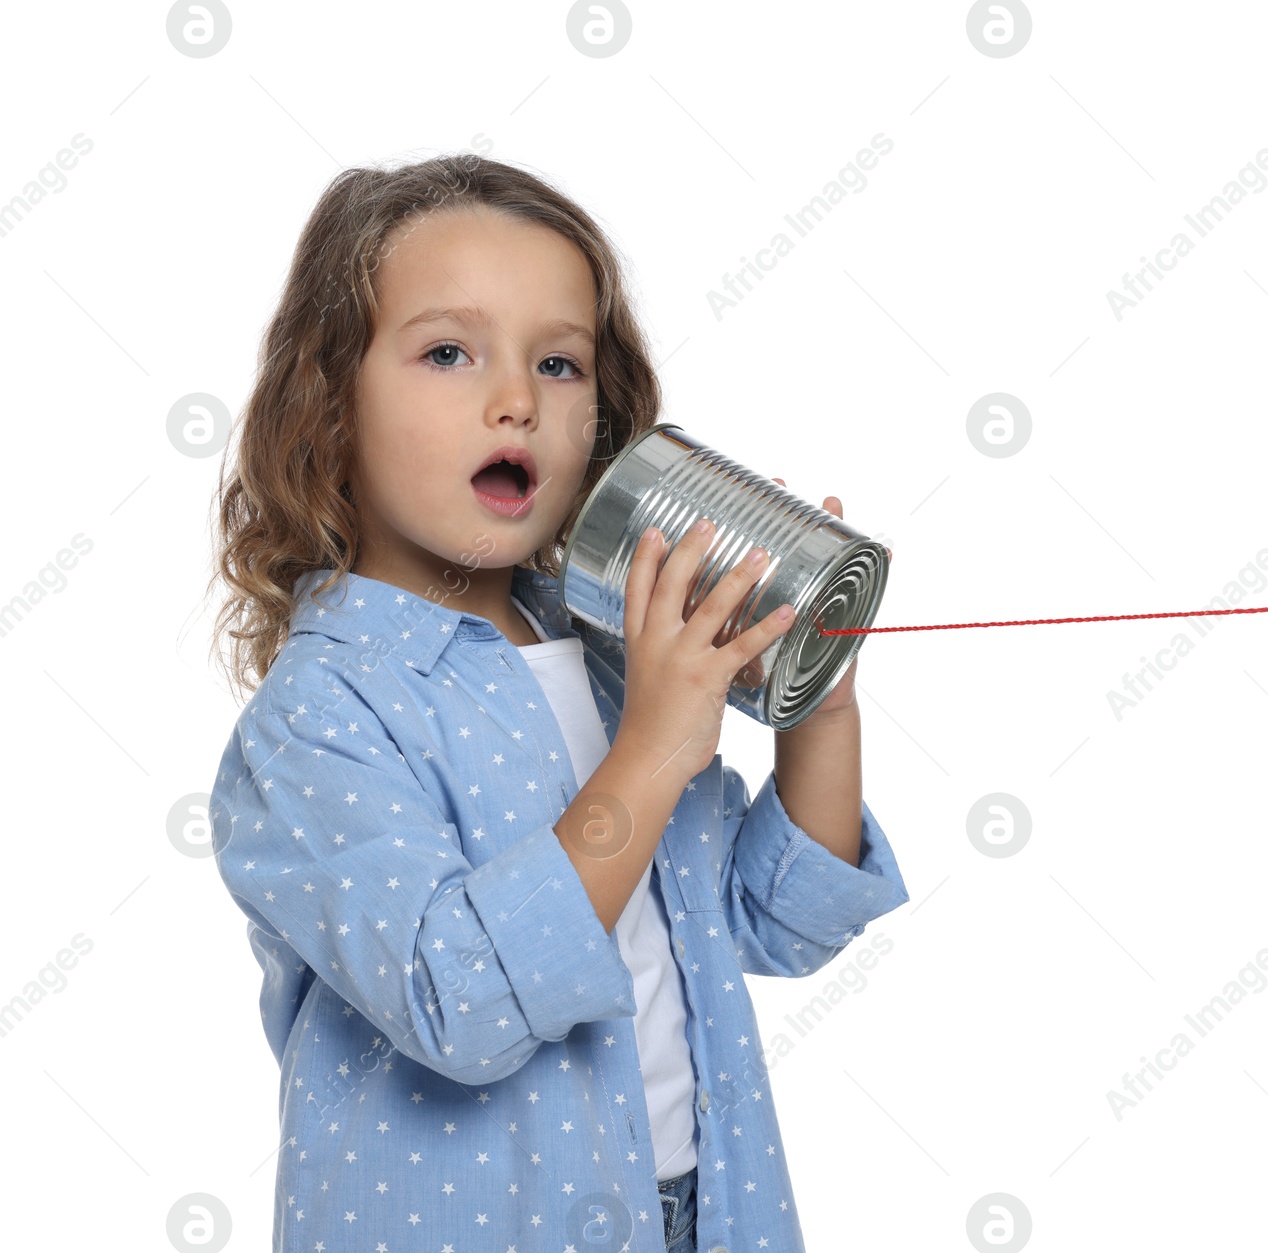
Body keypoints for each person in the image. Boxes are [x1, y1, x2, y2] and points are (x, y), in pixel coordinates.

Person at [205, 152, 910, 1253]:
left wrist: (814, 701)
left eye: (561, 363)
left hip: (695, 1207)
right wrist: (653, 749)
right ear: (328, 409)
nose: (516, 399)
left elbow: (776, 924)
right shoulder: (324, 713)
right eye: (448, 351)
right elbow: (458, 1000)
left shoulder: (610, 657)